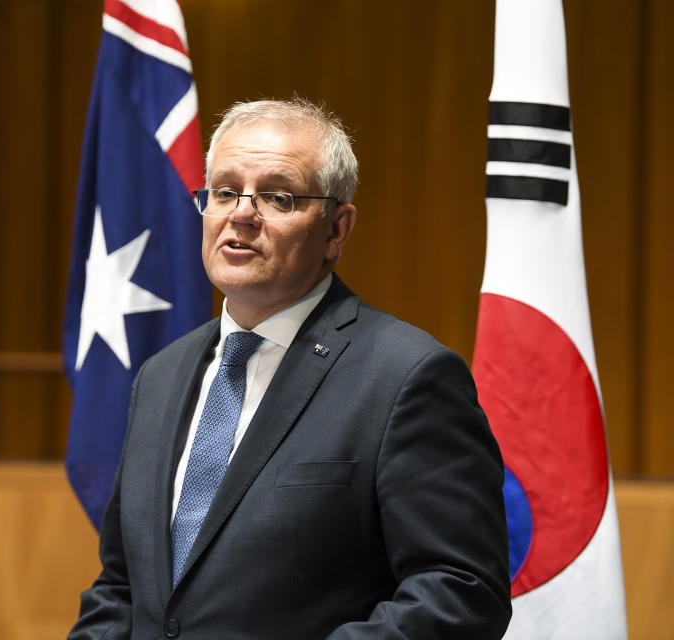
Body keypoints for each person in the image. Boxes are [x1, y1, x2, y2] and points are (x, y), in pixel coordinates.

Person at [69, 98, 511, 639]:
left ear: (336, 230)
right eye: (225, 191)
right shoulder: (162, 376)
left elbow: (461, 590)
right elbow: (123, 589)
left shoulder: (407, 377)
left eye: (278, 196)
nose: (242, 214)